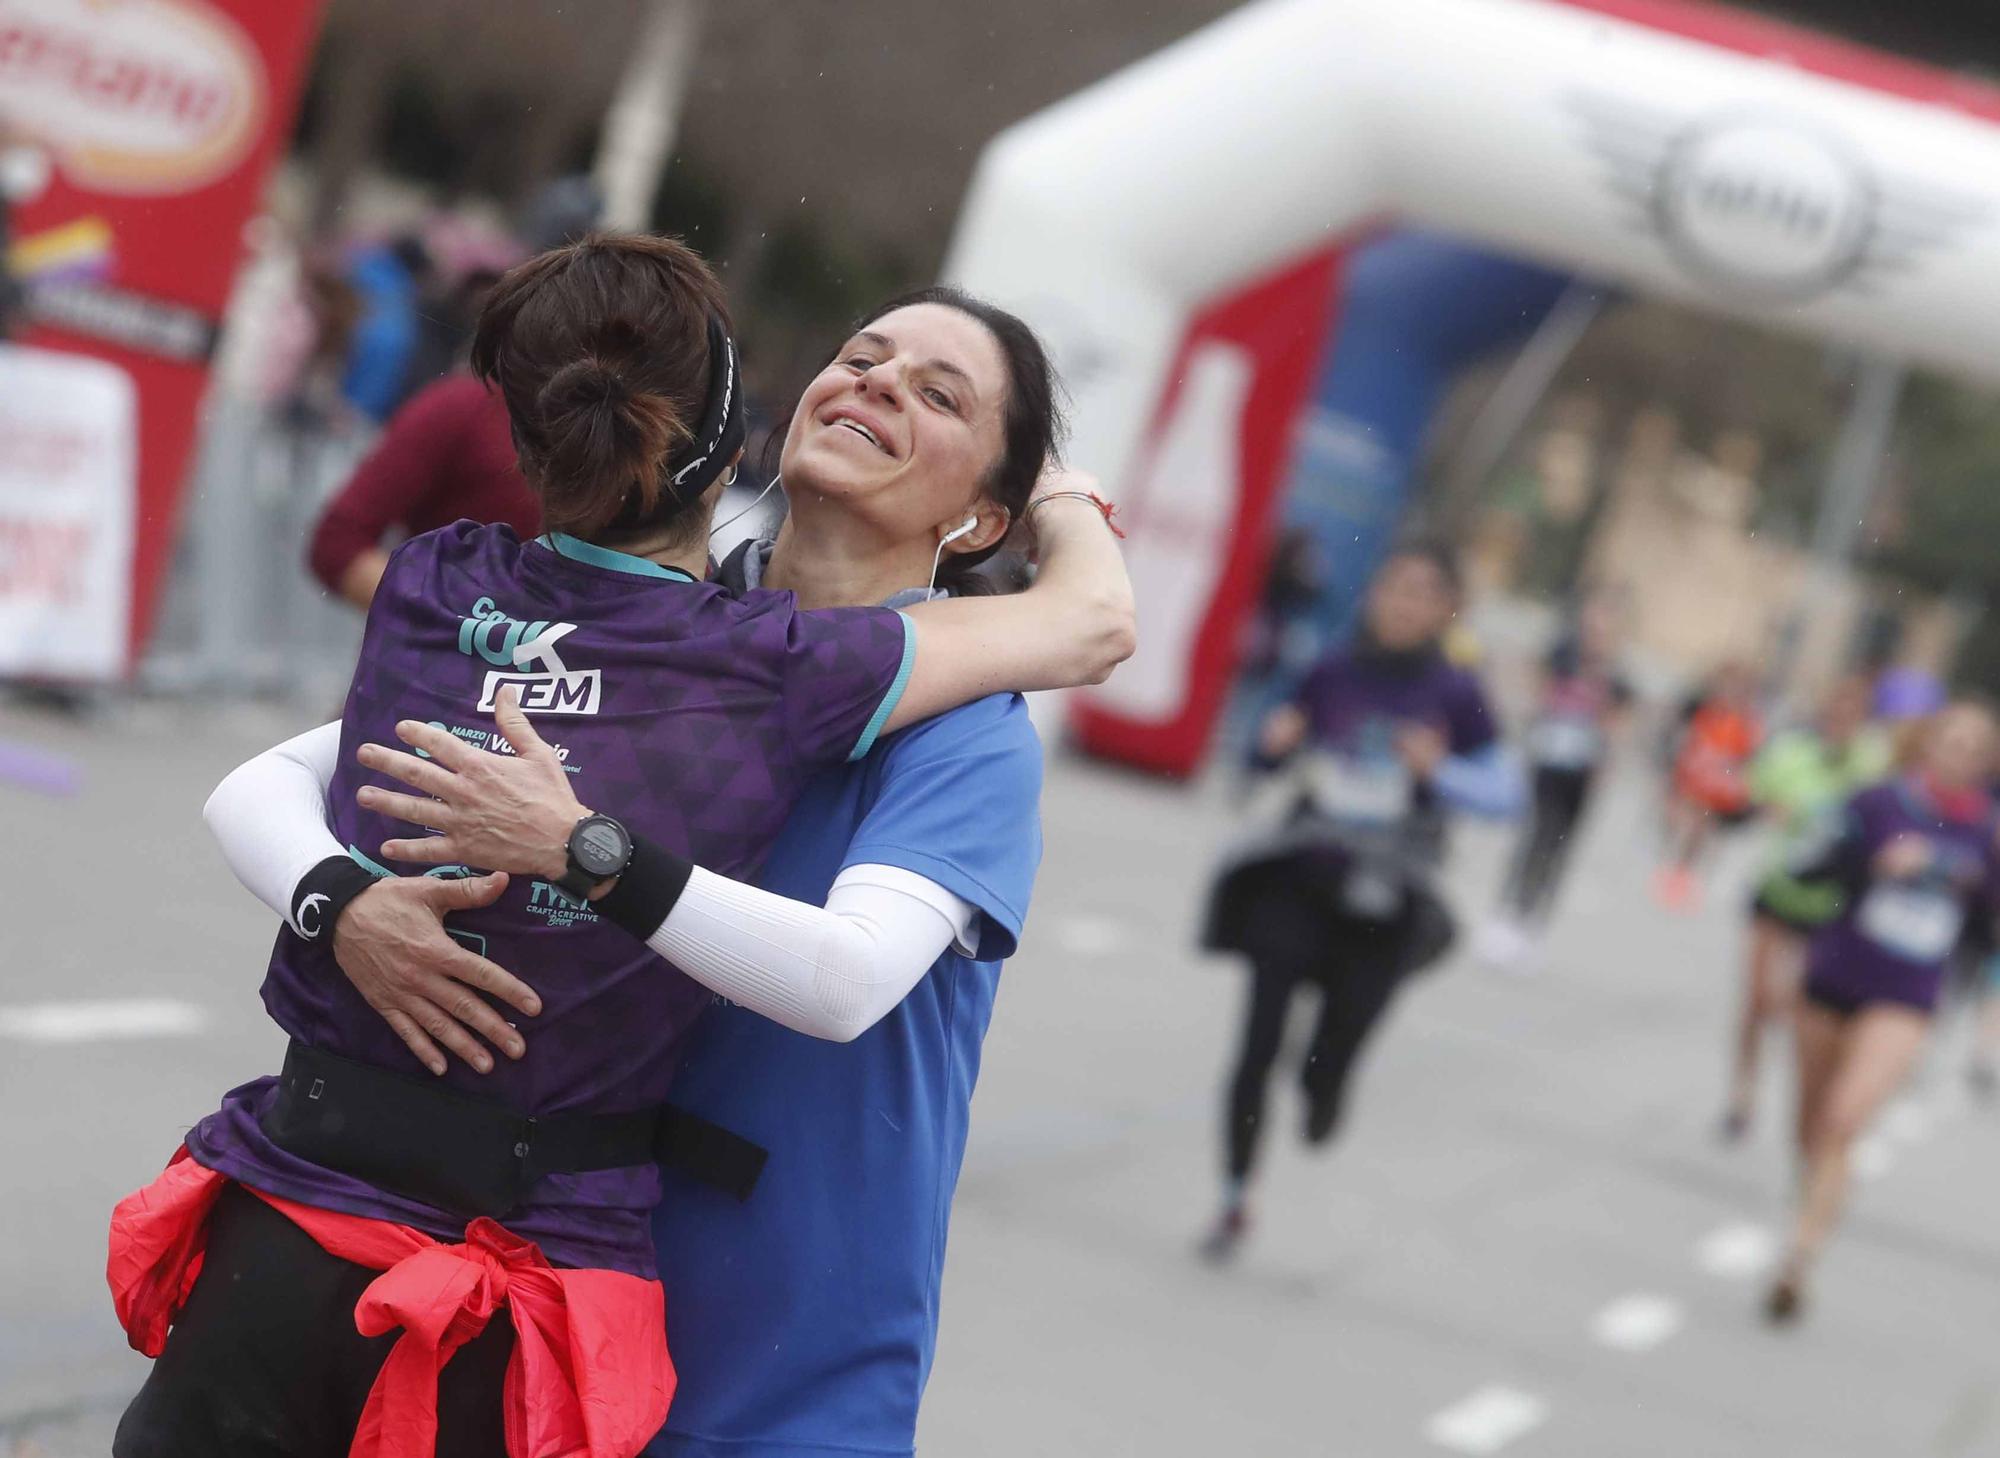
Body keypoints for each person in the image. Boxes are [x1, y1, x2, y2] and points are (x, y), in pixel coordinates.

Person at [110, 240, 1132, 1455]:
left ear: (982, 513)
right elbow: (289, 774)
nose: (877, 383)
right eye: (862, 358)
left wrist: (582, 848)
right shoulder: (662, 630)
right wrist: (346, 901)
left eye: (938, 392)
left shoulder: (967, 730)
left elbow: (850, 976)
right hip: (562, 1289)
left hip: (777, 1350)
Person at [1197, 542, 1521, 1260]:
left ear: (1444, 610)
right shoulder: (1331, 670)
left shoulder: (1455, 691)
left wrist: (1442, 772)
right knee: (1255, 1046)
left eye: (1421, 595)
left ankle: (1326, 1088)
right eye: (1393, 589)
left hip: (1386, 898)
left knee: (1328, 1060)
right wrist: (1273, 744)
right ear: (1375, 595)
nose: (1403, 606)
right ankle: (1233, 1196)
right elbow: (1262, 750)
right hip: (1302, 876)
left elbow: (1506, 795)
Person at [1765, 702, 2000, 1323]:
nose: (1963, 756)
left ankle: (1800, 1255)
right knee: (1811, 1125)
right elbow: (1807, 864)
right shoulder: (1877, 803)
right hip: (1835, 975)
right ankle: (1810, 1199)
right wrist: (1870, 859)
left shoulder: (1990, 832)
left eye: (1977, 748)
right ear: (1927, 745)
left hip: (1909, 996)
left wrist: (1963, 879)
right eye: (1954, 742)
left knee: (1845, 1120)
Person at [1721, 676, 1891, 1140]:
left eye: (1852, 712)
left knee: (1796, 1006)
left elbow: (1882, 823)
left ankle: (1804, 1098)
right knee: (1757, 1000)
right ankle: (1743, 1091)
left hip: (1827, 905)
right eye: (1835, 708)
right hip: (1778, 888)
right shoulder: (1793, 752)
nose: (1841, 719)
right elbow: (1746, 793)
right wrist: (1768, 806)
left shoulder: (1871, 766)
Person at [1478, 585, 1634, 969]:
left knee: (1560, 845)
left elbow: (1619, 723)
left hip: (1581, 770)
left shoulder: (1617, 676)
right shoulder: (1561, 655)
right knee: (1533, 835)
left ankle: (1533, 923)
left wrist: (1606, 754)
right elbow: (1533, 691)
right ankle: (1505, 913)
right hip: (1547, 760)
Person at [307, 369, 536, 608]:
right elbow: (338, 541)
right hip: (461, 638)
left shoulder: (572, 421)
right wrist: (443, 618)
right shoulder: (461, 407)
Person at [1655, 660, 1763, 912]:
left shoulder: (1745, 723)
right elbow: (1686, 741)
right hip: (1695, 777)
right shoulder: (1704, 711)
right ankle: (1676, 868)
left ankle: (1687, 876)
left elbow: (1746, 757)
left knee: (1701, 830)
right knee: (1684, 824)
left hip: (1718, 786)